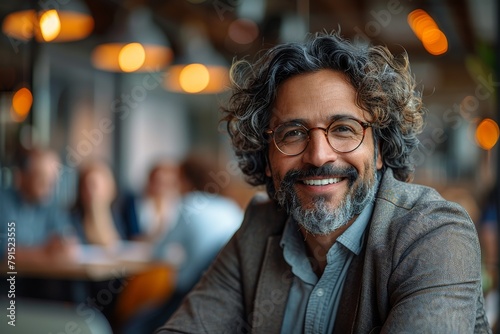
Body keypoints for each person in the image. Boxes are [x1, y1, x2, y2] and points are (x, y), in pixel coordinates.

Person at [156, 32, 491, 333]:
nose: (318, 156)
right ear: (267, 159)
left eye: (344, 129)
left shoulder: (433, 233)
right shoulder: (259, 230)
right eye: (293, 133)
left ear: (379, 151)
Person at [0, 147, 78, 264]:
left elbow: (69, 242)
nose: (49, 186)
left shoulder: (50, 202)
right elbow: (6, 253)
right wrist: (44, 252)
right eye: (42, 178)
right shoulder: (4, 202)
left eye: (53, 180)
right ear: (20, 177)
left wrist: (63, 244)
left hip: (41, 278)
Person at [70, 160, 126, 247]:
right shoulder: (72, 220)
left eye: (94, 185)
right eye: (85, 186)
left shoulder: (118, 216)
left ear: (108, 187)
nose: (89, 191)